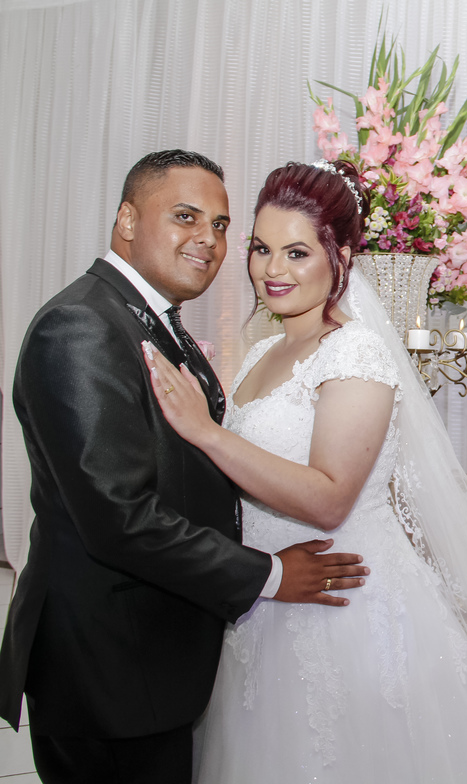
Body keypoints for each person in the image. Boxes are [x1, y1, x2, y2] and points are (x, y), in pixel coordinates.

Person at [142, 160, 467, 782]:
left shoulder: (357, 352)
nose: (272, 270)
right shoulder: (265, 349)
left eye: (296, 252)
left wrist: (204, 432)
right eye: (261, 249)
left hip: (343, 606)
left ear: (339, 255)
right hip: (265, 594)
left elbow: (328, 498)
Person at [0, 150, 370, 784]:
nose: (209, 240)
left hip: (164, 646)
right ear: (125, 218)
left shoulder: (155, 322)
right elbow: (119, 519)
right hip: (112, 662)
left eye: (222, 226)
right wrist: (271, 574)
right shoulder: (82, 326)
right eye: (185, 216)